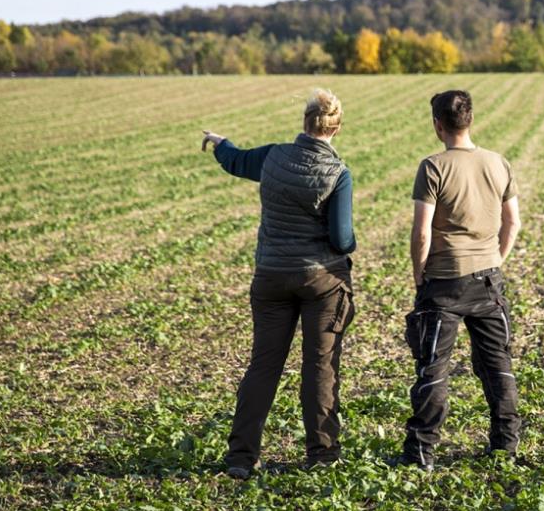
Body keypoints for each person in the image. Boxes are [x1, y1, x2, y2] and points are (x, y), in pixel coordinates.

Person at [201, 88, 356, 480]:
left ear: (305, 123)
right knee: (319, 366)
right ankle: (321, 454)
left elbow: (236, 161)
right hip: (320, 281)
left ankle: (241, 456)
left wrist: (221, 143)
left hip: (270, 277)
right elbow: (341, 239)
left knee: (264, 366)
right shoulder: (338, 174)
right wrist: (351, 243)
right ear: (336, 128)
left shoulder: (273, 156)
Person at [393, 89, 523, 471]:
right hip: (487, 281)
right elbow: (513, 221)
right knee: (498, 365)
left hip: (443, 282)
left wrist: (420, 276)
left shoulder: (433, 167)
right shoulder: (498, 162)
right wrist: (495, 259)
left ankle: (421, 454)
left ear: (438, 125)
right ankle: (505, 446)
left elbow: (421, 233)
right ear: (469, 120)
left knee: (433, 370)